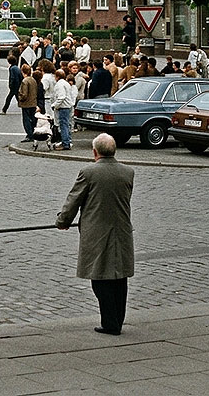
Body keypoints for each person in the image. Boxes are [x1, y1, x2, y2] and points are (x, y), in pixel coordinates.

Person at [56, 133, 134, 335]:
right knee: (119, 277)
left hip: (97, 232)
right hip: (121, 231)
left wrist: (63, 221)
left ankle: (110, 323)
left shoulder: (88, 172)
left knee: (99, 278)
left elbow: (74, 199)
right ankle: (117, 320)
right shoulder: (127, 172)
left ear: (95, 152)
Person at [51, 68, 77, 150]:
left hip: (63, 107)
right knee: (67, 124)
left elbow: (61, 97)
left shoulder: (59, 84)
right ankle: (68, 141)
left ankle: (65, 143)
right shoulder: (66, 83)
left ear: (57, 76)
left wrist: (55, 105)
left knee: (63, 125)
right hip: (68, 106)